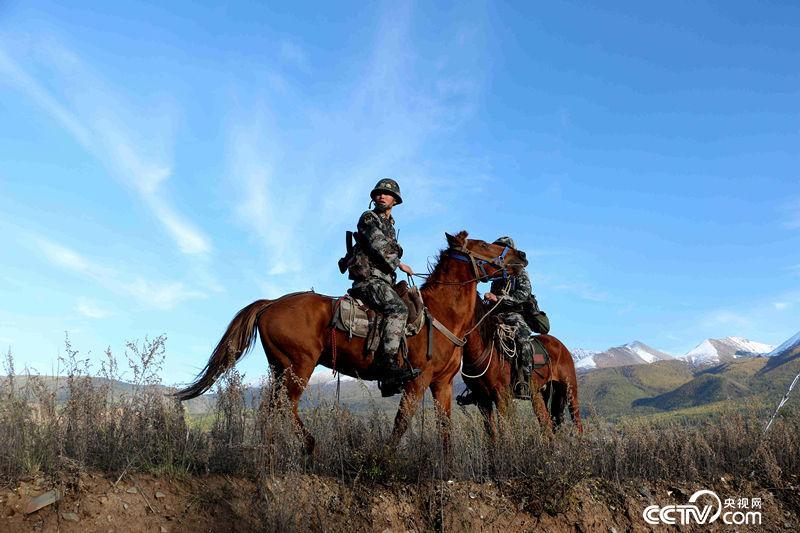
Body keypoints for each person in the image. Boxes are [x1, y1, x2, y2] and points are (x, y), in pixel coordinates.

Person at [347, 178, 420, 395]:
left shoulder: (390, 225)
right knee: (398, 309)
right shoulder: (369, 217)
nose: (381, 196)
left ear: (395, 201)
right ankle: (388, 364)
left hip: (384, 280)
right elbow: (378, 245)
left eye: (387, 194)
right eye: (378, 193)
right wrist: (400, 263)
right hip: (369, 280)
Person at [483, 236, 537, 399]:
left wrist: (498, 298)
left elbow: (522, 295)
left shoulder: (521, 273)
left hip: (515, 313)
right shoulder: (498, 274)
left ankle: (525, 381)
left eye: (502, 249)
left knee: (523, 341)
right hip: (496, 313)